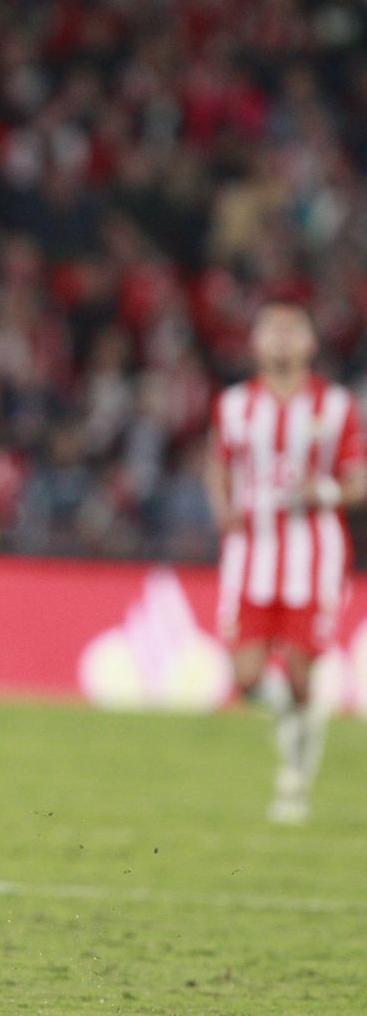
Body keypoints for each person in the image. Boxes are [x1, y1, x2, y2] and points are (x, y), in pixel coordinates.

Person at [205, 296, 366, 824]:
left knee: (300, 677)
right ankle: (295, 729)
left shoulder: (337, 407)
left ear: (310, 343)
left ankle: (295, 775)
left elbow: (359, 481)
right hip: (250, 554)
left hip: (314, 557)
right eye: (269, 328)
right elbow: (217, 463)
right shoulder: (233, 406)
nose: (279, 337)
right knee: (247, 676)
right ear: (253, 342)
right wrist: (222, 507)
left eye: (290, 328)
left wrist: (321, 491)